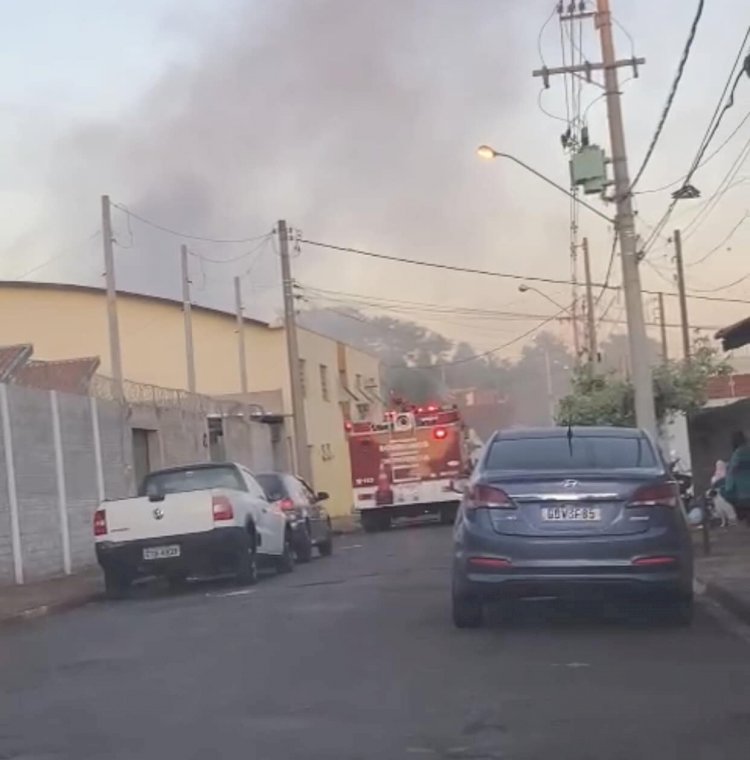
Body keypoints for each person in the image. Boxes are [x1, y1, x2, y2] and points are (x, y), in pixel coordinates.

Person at [720, 431, 750, 522]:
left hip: (742, 494)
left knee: (723, 492)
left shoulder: (737, 454)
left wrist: (727, 489)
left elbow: (731, 475)